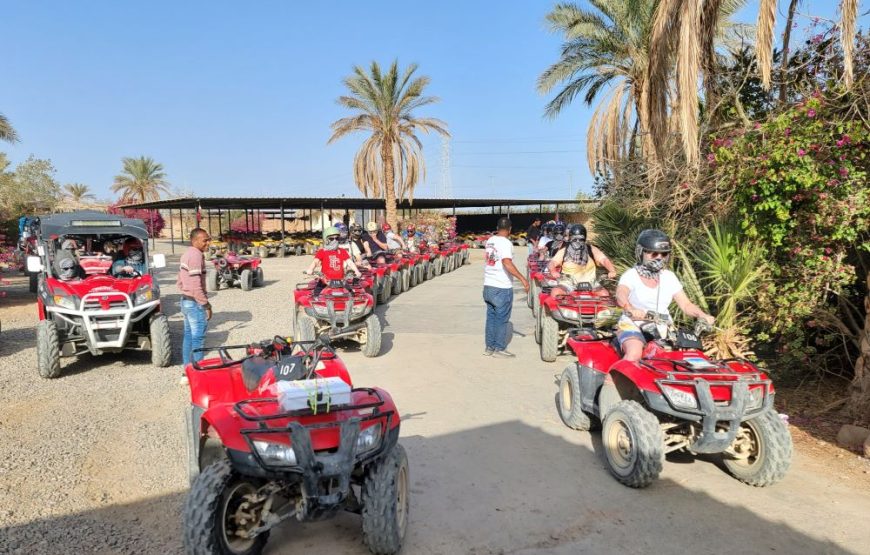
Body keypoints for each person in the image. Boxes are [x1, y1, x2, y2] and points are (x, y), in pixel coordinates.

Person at [615, 229, 715, 361]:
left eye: (664, 254)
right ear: (641, 252)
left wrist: (702, 315)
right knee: (634, 353)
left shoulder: (669, 277)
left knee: (690, 357)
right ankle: (612, 380)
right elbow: (621, 294)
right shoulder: (630, 275)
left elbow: (686, 305)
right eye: (654, 253)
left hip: (663, 328)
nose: (659, 258)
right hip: (633, 324)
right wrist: (630, 308)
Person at [483, 217, 530, 358]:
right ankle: (499, 348)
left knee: (491, 318)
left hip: (488, 285)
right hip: (501, 287)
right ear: (510, 229)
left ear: (497, 228)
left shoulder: (490, 241)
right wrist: (523, 279)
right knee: (502, 319)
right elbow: (506, 263)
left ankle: (489, 347)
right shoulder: (506, 243)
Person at [177, 228, 212, 382]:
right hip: (194, 303)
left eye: (208, 239)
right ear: (195, 240)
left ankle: (187, 372)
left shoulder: (186, 254)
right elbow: (196, 285)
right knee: (198, 339)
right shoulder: (196, 255)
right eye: (205, 240)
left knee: (189, 337)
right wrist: (206, 305)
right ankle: (198, 376)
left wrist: (186, 292)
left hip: (185, 300)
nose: (208, 243)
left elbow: (180, 280)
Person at [548, 224, 616, 295]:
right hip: (568, 283)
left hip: (591, 283)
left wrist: (612, 270)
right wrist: (553, 271)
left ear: (585, 239)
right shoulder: (564, 250)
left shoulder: (591, 249)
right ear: (570, 238)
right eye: (575, 239)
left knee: (604, 294)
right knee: (556, 292)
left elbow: (604, 260)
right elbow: (552, 262)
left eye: (581, 239)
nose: (577, 241)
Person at [305, 227, 361, 294]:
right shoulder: (322, 251)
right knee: (316, 295)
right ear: (326, 239)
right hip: (325, 280)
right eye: (331, 238)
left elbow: (350, 262)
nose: (335, 240)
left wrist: (357, 271)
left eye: (337, 238)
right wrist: (310, 269)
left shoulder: (342, 251)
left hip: (341, 280)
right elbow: (315, 261)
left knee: (351, 294)